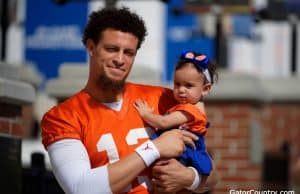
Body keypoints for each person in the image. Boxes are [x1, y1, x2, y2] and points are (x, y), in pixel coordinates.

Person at [41, 7, 218, 194]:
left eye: (128, 53)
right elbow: (79, 188)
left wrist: (189, 177)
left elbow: (213, 176)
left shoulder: (164, 98)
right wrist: (154, 148)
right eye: (111, 49)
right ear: (91, 47)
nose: (120, 59)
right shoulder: (62, 117)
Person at [134, 50, 217, 177]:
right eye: (177, 84)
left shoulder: (191, 110)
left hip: (184, 152)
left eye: (188, 86)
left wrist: (146, 114)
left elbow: (163, 122)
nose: (181, 90)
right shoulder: (193, 105)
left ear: (205, 89)